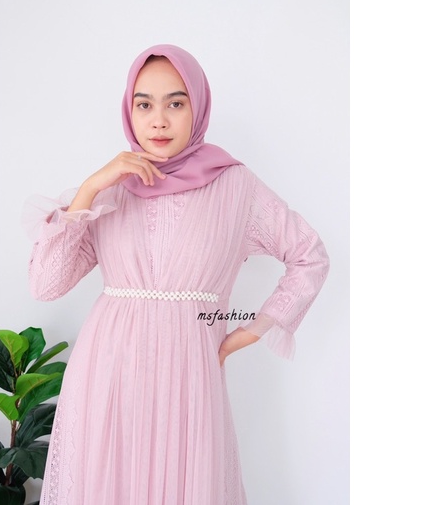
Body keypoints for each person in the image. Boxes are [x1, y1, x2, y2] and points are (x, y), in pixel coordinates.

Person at [26, 44, 330, 505]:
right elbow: (46, 284)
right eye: (144, 105)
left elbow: (309, 255)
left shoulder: (236, 186)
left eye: (175, 103)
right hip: (106, 373)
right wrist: (89, 188)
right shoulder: (112, 187)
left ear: (198, 108)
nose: (159, 121)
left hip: (189, 374)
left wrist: (252, 330)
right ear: (129, 111)